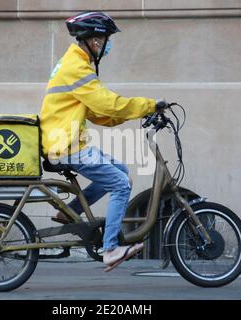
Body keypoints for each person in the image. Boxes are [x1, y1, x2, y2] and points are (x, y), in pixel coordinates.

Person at [40, 11, 165, 271]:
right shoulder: (76, 67)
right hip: (65, 145)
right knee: (120, 184)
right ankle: (110, 249)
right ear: (95, 40)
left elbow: (99, 112)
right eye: (107, 40)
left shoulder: (76, 62)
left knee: (121, 173)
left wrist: (130, 116)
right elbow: (108, 103)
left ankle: (69, 211)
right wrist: (148, 105)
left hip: (67, 141)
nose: (109, 46)